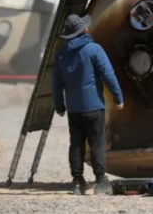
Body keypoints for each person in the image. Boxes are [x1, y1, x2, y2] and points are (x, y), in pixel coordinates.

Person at [52, 13, 124, 196]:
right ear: (84, 30)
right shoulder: (94, 49)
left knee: (76, 144)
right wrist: (118, 97)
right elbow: (108, 74)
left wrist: (60, 106)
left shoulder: (61, 54)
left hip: (74, 109)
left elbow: (57, 84)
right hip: (94, 106)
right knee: (96, 143)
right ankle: (101, 181)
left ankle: (77, 182)